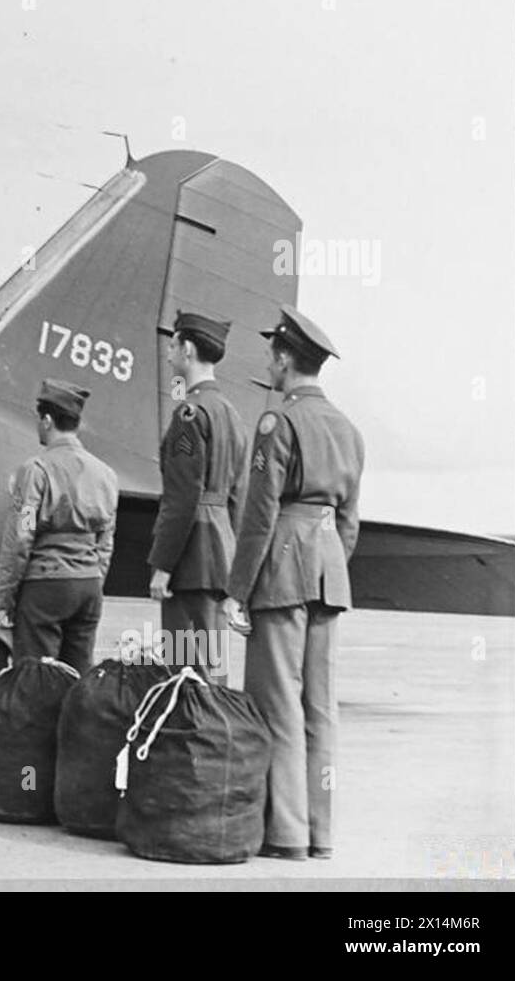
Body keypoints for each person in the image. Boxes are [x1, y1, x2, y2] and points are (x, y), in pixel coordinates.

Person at [222, 304, 365, 862]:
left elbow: (258, 515)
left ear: (284, 358)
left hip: (282, 566)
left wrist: (238, 590)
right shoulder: (349, 431)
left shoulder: (275, 423)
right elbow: (349, 521)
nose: (270, 365)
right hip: (329, 571)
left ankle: (284, 834)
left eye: (272, 356)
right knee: (320, 707)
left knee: (278, 703)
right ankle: (320, 832)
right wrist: (329, 564)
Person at [147, 311, 249, 682]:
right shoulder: (232, 414)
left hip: (191, 561)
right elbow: (239, 496)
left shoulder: (189, 414)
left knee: (183, 673)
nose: (170, 353)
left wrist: (164, 565)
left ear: (188, 349)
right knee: (214, 668)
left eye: (173, 345)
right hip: (219, 554)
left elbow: (182, 495)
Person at [0, 378, 118, 671]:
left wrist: (4, 597)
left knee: (37, 678)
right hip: (87, 586)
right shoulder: (105, 474)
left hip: (45, 587)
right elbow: (106, 538)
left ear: (47, 420)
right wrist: (93, 579)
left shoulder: (35, 471)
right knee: (79, 676)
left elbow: (22, 537)